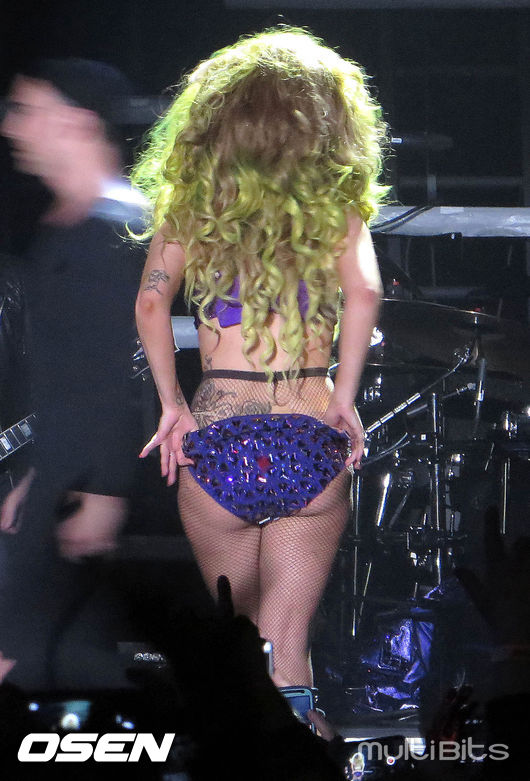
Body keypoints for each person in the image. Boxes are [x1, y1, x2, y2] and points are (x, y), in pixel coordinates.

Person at [134, 27, 385, 687]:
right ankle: (298, 730)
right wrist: (344, 397)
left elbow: (151, 303)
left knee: (242, 643)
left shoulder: (191, 210)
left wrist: (171, 405)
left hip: (218, 438)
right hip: (310, 432)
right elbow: (366, 293)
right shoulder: (337, 211)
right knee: (287, 639)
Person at [0, 58, 145, 558]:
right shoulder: (66, 228)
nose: (10, 127)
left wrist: (106, 491)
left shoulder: (119, 228)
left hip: (102, 490)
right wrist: (39, 472)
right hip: (64, 477)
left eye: (26, 110)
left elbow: (119, 372)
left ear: (77, 122)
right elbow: (66, 380)